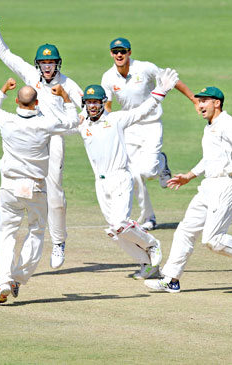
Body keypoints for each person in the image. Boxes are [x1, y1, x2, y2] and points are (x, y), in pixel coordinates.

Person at [144, 87, 232, 293]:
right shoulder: (209, 126)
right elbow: (209, 158)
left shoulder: (227, 122)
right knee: (185, 231)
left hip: (225, 186)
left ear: (216, 103)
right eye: (199, 101)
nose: (200, 105)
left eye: (204, 101)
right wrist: (189, 176)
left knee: (213, 240)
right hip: (208, 186)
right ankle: (171, 279)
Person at [0, 16, 84, 270]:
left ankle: (59, 241)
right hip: (31, 135)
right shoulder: (32, 76)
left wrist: (66, 106)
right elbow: (8, 57)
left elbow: (84, 110)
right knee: (23, 182)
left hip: (54, 138)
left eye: (51, 63)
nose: (48, 67)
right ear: (39, 65)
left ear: (57, 64)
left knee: (55, 193)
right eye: (44, 63)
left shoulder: (68, 84)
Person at [74, 68, 180, 280]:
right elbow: (56, 125)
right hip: (100, 184)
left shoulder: (116, 120)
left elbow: (142, 111)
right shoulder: (81, 124)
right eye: (89, 102)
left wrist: (161, 90)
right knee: (114, 231)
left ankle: (152, 244)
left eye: (97, 102)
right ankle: (148, 264)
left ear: (104, 103)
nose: (93, 106)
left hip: (120, 178)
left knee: (121, 224)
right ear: (85, 104)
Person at [0, 78, 79, 304]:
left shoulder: (6, 120)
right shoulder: (45, 123)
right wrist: (65, 98)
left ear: (17, 101)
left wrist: (3, 90)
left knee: (7, 233)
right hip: (35, 186)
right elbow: (72, 122)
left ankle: (4, 281)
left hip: (9, 186)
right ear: (37, 102)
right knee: (36, 232)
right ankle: (17, 278)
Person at [101, 37, 197, 231]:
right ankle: (148, 217)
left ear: (129, 52)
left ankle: (161, 162)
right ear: (111, 53)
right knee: (132, 175)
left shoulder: (144, 68)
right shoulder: (108, 77)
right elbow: (107, 106)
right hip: (129, 127)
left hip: (152, 124)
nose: (119, 54)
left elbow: (172, 81)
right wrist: (111, 125)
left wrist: (194, 100)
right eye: (116, 51)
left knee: (148, 172)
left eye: (123, 51)